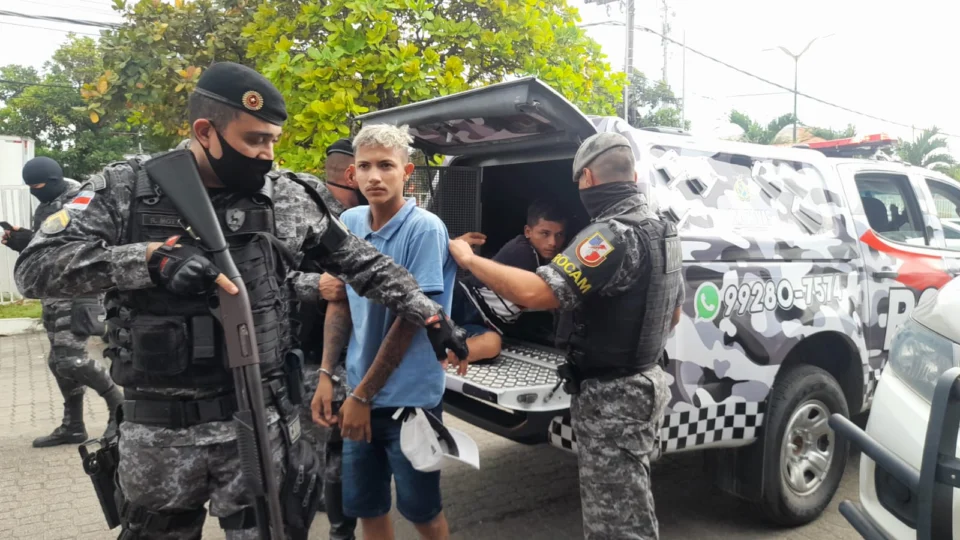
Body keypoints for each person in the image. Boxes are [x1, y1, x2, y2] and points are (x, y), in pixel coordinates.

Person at [14, 62, 468, 539]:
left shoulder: (288, 196)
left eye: (273, 139)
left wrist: (431, 315)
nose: (268, 154)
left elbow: (363, 264)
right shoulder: (129, 189)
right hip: (160, 434)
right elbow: (35, 268)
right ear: (205, 131)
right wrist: (148, 261)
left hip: (257, 422)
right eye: (254, 140)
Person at [447, 132, 684, 540]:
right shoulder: (663, 230)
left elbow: (537, 292)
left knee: (615, 524)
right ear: (634, 174)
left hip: (613, 394)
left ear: (588, 178)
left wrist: (469, 260)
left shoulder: (609, 236)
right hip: (644, 382)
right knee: (633, 505)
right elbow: (674, 313)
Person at [311, 124, 456, 540]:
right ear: (352, 174)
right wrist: (326, 375)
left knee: (422, 512)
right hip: (359, 393)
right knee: (367, 507)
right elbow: (340, 298)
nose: (375, 176)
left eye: (386, 166)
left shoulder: (424, 229)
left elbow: (412, 319)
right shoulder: (350, 221)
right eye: (365, 166)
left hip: (408, 401)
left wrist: (360, 397)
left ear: (406, 172)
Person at [3, 157, 122, 447]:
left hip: (78, 291)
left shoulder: (81, 200)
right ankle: (73, 426)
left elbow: (87, 247)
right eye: (30, 187)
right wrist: (25, 241)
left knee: (71, 359)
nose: (35, 191)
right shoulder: (46, 205)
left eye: (39, 186)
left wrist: (32, 241)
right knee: (58, 362)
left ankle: (120, 409)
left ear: (54, 181)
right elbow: (46, 249)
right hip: (52, 295)